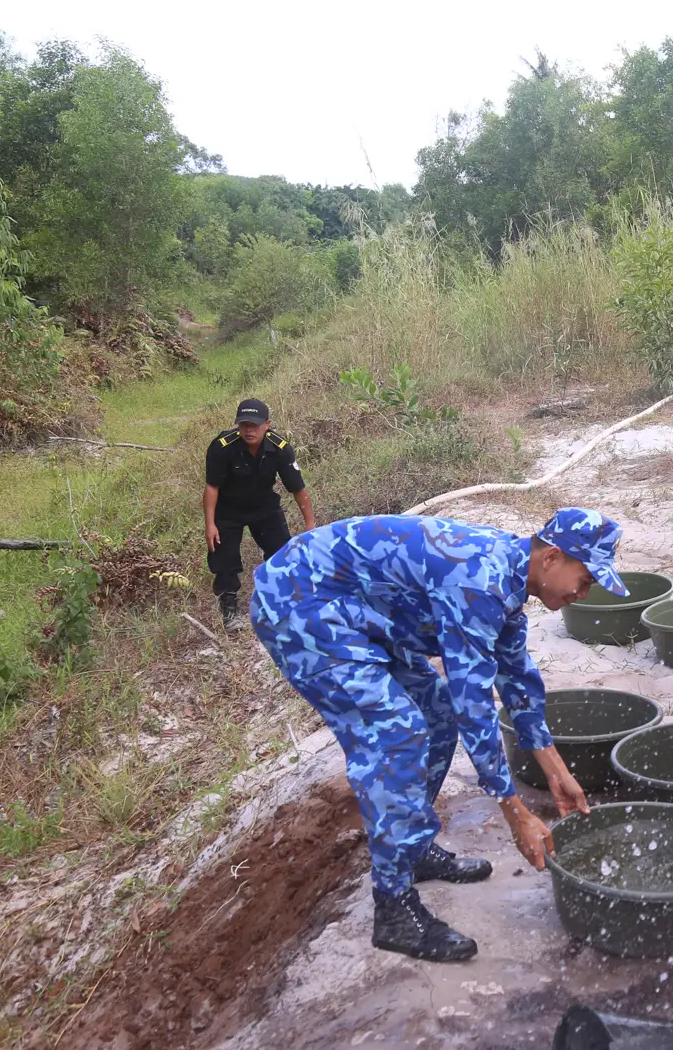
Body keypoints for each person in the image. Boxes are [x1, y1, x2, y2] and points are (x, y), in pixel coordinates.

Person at [250, 508, 624, 963]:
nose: (581, 594)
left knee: (436, 714)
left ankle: (413, 849)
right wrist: (515, 813)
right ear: (552, 557)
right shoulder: (476, 583)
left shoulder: (509, 576)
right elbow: (476, 706)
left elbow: (516, 679)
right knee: (396, 736)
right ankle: (393, 907)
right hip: (300, 604)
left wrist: (557, 772)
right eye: (584, 580)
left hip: (357, 606)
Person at [204, 398, 315, 632]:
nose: (249, 430)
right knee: (224, 557)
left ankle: (282, 602)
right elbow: (212, 487)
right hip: (229, 509)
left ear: (267, 424)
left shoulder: (280, 448)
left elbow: (298, 489)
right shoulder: (222, 446)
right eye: (244, 424)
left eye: (254, 425)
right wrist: (210, 525)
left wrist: (310, 525)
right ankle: (229, 609)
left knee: (281, 554)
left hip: (264, 507)